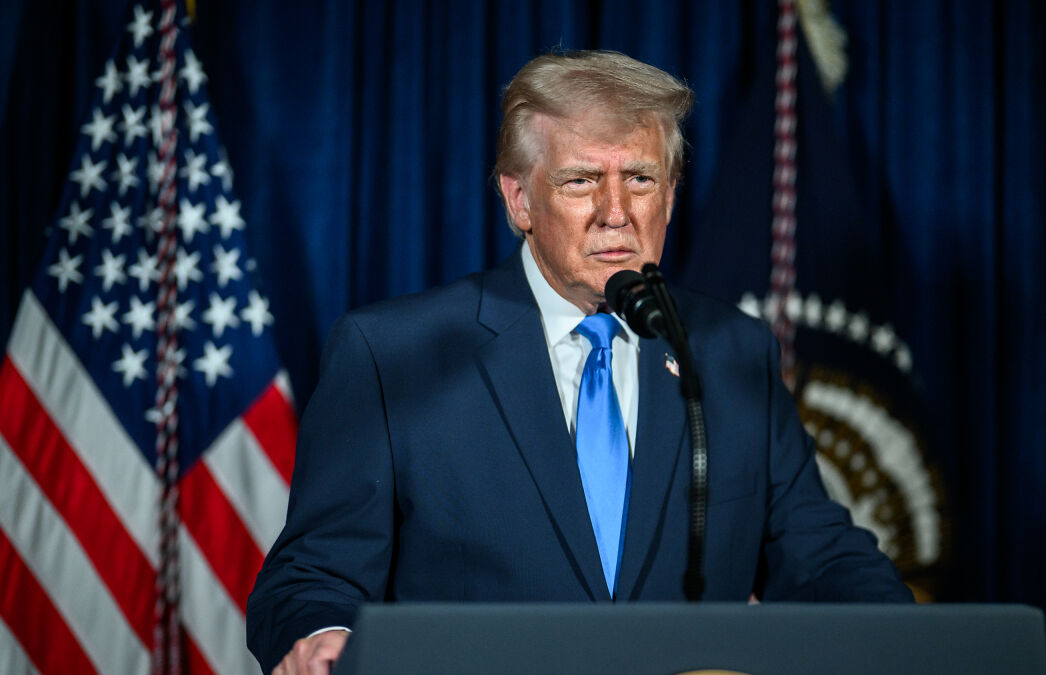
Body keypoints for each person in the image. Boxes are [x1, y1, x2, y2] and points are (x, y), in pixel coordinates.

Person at [247, 50, 912, 675]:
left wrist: (915, 642)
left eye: (640, 179)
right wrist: (319, 633)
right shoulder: (392, 353)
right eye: (582, 181)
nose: (615, 213)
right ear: (520, 201)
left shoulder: (732, 350)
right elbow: (311, 575)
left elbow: (820, 556)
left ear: (671, 195)